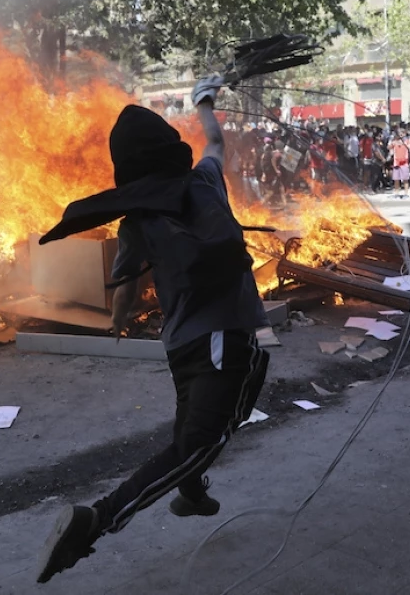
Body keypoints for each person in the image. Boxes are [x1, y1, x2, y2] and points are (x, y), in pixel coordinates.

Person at [36, 76, 271, 583]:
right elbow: (215, 142)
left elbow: (124, 288)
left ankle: (190, 491)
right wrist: (204, 101)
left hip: (183, 345)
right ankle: (98, 518)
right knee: (201, 440)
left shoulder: (136, 220)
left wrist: (119, 323)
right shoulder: (204, 181)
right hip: (223, 337)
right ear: (170, 148)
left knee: (194, 428)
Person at [391, 132, 410, 198]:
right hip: (396, 162)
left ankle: (406, 193)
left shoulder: (407, 141)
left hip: (404, 163)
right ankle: (397, 193)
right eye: (399, 134)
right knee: (396, 179)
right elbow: (389, 147)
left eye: (402, 133)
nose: (401, 135)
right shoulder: (394, 141)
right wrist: (393, 143)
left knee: (405, 179)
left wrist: (404, 143)